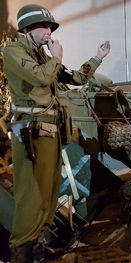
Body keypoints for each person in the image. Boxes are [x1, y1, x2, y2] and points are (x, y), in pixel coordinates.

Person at [3, 4, 110, 262]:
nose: (49, 31)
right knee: (32, 197)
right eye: (44, 26)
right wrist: (56, 57)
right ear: (28, 29)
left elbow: (74, 78)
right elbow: (40, 77)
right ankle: (22, 254)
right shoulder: (14, 52)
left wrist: (97, 58)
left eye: (50, 26)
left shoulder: (42, 56)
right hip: (31, 134)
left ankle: (37, 250)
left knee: (49, 195)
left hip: (49, 134)